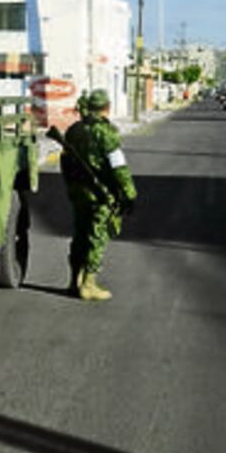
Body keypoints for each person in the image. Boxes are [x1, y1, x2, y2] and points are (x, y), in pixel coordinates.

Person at [59, 89, 137, 301]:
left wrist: (71, 184)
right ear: (106, 108)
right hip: (100, 195)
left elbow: (65, 162)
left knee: (80, 234)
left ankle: (74, 280)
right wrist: (130, 194)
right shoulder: (107, 133)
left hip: (78, 192)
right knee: (97, 236)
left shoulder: (73, 130)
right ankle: (89, 284)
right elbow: (118, 167)